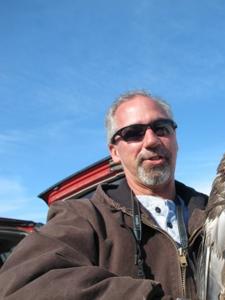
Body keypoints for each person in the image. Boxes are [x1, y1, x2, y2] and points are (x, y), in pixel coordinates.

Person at [0, 91, 208, 299]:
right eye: (133, 133)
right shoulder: (83, 217)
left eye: (162, 128)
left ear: (176, 140)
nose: (151, 140)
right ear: (115, 152)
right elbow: (22, 284)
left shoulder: (213, 211)